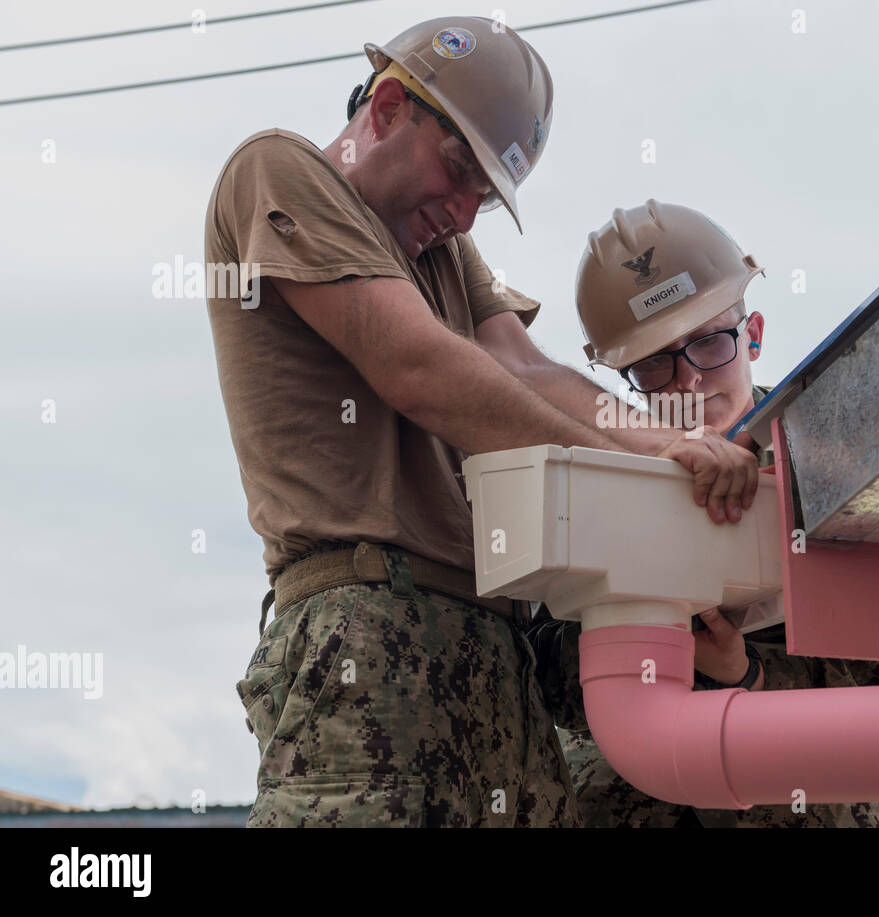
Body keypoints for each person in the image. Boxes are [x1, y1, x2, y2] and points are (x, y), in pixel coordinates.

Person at [204, 20, 758, 827]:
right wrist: (633, 459)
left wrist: (669, 447)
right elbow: (420, 367)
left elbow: (527, 369)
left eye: (486, 197)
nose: (465, 214)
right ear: (389, 107)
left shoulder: (439, 252)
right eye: (460, 170)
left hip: (497, 652)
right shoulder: (279, 172)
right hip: (363, 635)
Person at [528, 200, 879, 827]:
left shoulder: (837, 461)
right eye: (656, 363)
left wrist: (748, 675)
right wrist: (641, 648)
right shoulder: (594, 480)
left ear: (756, 334)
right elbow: (542, 666)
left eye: (710, 343)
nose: (689, 383)